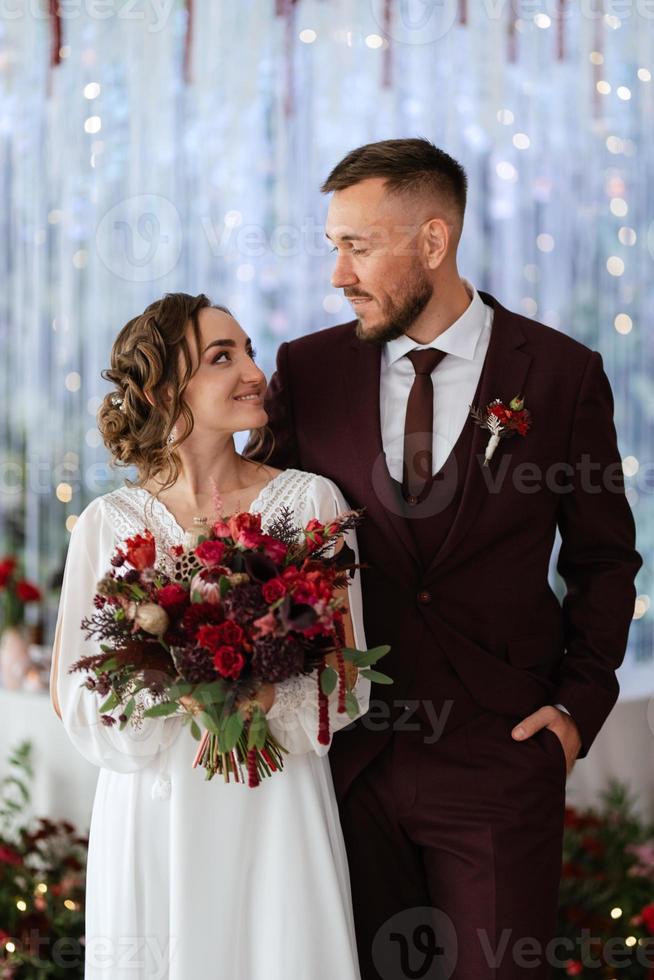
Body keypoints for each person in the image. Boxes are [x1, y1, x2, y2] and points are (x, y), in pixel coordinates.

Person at [244, 138, 642, 979]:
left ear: (433, 241)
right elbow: (255, 531)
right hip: (347, 761)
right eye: (332, 247)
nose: (337, 275)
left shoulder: (563, 374)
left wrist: (574, 712)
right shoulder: (307, 371)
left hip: (498, 756)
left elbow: (605, 560)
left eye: (358, 246)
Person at [50, 292, 370, 980]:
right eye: (223, 357)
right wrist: (177, 695)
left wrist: (261, 692)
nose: (253, 371)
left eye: (250, 350)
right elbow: (75, 699)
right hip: (153, 813)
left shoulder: (311, 504)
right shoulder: (108, 525)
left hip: (275, 804)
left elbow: (349, 683)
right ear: (167, 388)